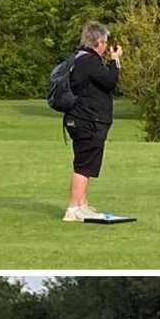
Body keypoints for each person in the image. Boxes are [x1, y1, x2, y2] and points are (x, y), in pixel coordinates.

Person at [62, 21, 122, 222]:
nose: (106, 46)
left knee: (85, 162)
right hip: (87, 119)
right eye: (105, 42)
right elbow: (111, 81)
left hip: (81, 118)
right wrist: (115, 60)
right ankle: (73, 207)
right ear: (99, 42)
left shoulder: (78, 58)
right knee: (84, 165)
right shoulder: (89, 61)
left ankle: (81, 204)